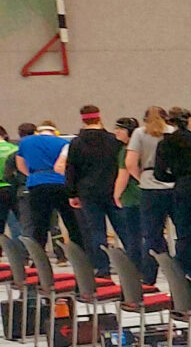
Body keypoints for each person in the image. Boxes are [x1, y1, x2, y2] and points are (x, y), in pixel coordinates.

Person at [155, 106, 191, 286]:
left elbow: (159, 173)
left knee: (185, 232)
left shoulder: (165, 143)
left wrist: (177, 178)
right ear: (189, 120)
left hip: (183, 187)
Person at [63, 105, 122, 262]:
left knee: (96, 231)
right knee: (123, 229)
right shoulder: (113, 140)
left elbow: (71, 169)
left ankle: (102, 267)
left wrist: (72, 193)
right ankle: (133, 265)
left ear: (83, 120)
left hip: (87, 191)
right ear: (99, 118)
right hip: (113, 189)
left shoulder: (76, 142)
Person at [16, 120, 70, 251]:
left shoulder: (25, 142)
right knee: (70, 221)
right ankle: (78, 253)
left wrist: (32, 175)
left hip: (37, 183)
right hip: (60, 183)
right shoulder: (64, 143)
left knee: (39, 223)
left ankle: (38, 255)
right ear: (55, 131)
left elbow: (20, 164)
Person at [109, 116, 146, 262]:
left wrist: (116, 194)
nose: (116, 132)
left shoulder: (127, 151)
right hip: (144, 195)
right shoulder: (142, 147)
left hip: (131, 196)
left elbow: (123, 176)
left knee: (133, 234)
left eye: (120, 129)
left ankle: (136, 264)